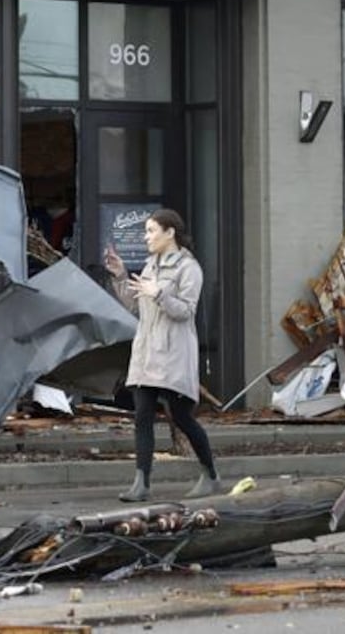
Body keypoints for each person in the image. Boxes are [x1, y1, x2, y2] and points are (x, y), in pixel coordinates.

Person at [104, 208, 222, 503]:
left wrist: (159, 293)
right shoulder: (150, 266)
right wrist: (120, 276)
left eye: (151, 231)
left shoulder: (188, 268)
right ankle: (140, 483)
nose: (146, 237)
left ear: (170, 233)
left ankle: (210, 475)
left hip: (173, 354)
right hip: (146, 353)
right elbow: (134, 306)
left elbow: (185, 311)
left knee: (181, 417)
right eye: (145, 231)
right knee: (142, 416)